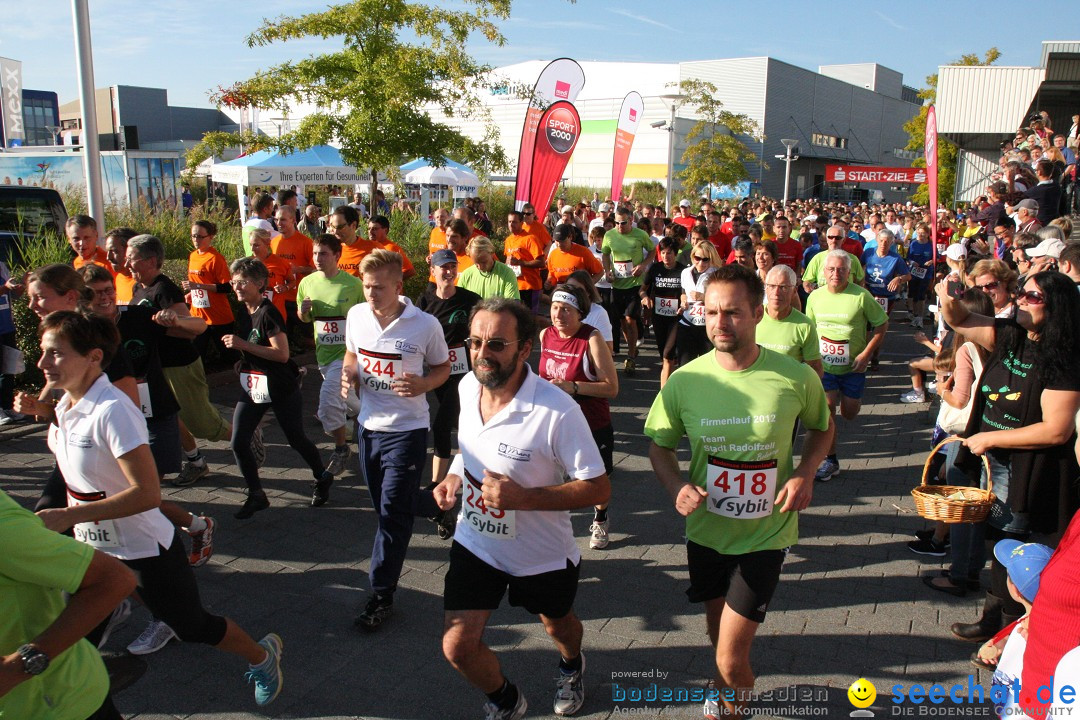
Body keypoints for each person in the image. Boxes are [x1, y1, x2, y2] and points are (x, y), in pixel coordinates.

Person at [37, 310, 284, 706]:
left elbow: (148, 495)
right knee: (69, 638)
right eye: (43, 353)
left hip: (142, 549)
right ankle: (82, 692)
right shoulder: (66, 405)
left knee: (192, 626)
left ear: (93, 357)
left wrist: (67, 517)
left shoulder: (112, 411)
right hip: (93, 550)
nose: (42, 362)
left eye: (55, 354)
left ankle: (261, 656)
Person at [645, 264, 833, 720]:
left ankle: (734, 706)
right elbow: (659, 445)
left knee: (731, 657)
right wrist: (676, 487)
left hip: (766, 532)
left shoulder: (794, 376)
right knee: (717, 628)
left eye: (731, 313)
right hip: (707, 529)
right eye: (710, 312)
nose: (719, 323)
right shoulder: (686, 380)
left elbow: (822, 428)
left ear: (755, 314)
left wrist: (805, 472)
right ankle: (723, 683)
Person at [434, 298, 609, 720]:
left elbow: (599, 487)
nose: (481, 354)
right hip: (477, 542)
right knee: (456, 645)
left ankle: (572, 665)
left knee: (559, 626)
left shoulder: (558, 411)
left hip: (540, 554)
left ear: (524, 348)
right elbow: (473, 446)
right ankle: (506, 700)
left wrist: (525, 498)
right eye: (475, 342)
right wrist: (455, 474)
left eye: (496, 344)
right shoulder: (465, 386)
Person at [935, 271, 1080, 646]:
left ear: (1055, 308)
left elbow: (1057, 430)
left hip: (1027, 468)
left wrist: (990, 437)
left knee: (1014, 544)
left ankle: (1010, 634)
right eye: (1021, 292)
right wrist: (950, 294)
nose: (1020, 300)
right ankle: (992, 618)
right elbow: (961, 319)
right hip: (993, 457)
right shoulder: (1011, 333)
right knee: (997, 539)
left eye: (1032, 296)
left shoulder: (1063, 359)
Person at [342, 249, 451, 629]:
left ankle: (381, 594)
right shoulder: (356, 316)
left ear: (399, 286)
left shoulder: (423, 325)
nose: (370, 294)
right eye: (366, 287)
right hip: (368, 427)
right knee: (388, 506)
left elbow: (443, 367)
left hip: (407, 430)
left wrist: (424, 382)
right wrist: (349, 375)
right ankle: (438, 503)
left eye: (378, 288)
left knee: (391, 514)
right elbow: (351, 355)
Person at [0, 488, 136, 720]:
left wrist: (22, 664)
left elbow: (115, 580)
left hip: (54, 705)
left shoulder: (5, 532)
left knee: (195, 626)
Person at [221, 257, 334, 519]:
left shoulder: (268, 312)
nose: (237, 287)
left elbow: (282, 354)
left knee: (296, 439)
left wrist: (243, 345)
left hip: (281, 385)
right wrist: (243, 357)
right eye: (234, 281)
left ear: (260, 283)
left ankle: (322, 475)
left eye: (243, 282)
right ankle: (256, 494)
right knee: (238, 441)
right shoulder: (243, 310)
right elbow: (249, 346)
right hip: (255, 384)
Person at [126, 235, 237, 486]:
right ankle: (196, 462)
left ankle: (245, 436)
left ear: (151, 260)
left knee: (202, 423)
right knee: (169, 418)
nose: (127, 264)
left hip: (180, 364)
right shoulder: (137, 288)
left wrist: (166, 322)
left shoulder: (164, 289)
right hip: (155, 366)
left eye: (131, 259)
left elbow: (190, 328)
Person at [539, 283, 619, 550]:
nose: (558, 314)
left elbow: (612, 387)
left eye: (566, 309)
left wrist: (571, 387)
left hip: (590, 421)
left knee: (596, 480)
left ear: (579, 312)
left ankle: (600, 518)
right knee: (550, 475)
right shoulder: (545, 335)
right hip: (553, 422)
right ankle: (551, 525)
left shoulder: (591, 338)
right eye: (554, 307)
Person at [804, 250, 889, 481]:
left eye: (841, 269)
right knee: (828, 409)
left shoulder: (861, 296)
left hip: (854, 368)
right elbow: (809, 331)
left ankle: (847, 408)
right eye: (831, 269)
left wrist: (866, 354)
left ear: (849, 272)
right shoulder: (815, 297)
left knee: (849, 413)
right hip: (825, 367)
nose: (836, 274)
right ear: (824, 272)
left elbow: (881, 325)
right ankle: (831, 460)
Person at [297, 233, 366, 503]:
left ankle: (341, 449)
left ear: (337, 256)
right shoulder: (307, 283)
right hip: (324, 356)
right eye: (315, 254)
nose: (317, 258)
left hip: (347, 355)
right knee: (351, 403)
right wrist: (303, 312)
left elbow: (366, 317)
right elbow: (304, 318)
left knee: (327, 405)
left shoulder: (353, 285)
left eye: (323, 253)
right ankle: (381, 424)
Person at [418, 249, 482, 492]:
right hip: (437, 370)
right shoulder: (424, 301)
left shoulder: (470, 299)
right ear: (433, 271)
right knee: (460, 420)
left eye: (452, 266)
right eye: (443, 267)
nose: (448, 271)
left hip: (464, 372)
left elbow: (484, 325)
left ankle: (437, 483)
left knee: (443, 424)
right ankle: (473, 467)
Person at [602, 207, 653, 374]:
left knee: (630, 318)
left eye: (623, 223)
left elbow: (652, 251)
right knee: (623, 321)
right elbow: (605, 254)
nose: (619, 226)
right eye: (616, 223)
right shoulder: (609, 235)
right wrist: (607, 271)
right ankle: (632, 347)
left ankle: (630, 355)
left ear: (631, 220)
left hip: (635, 283)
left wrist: (643, 265)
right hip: (617, 284)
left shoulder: (640, 235)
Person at [183, 220, 236, 365]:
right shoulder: (193, 256)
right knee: (196, 355)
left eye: (200, 236)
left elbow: (226, 287)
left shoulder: (215, 258)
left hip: (218, 317)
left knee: (229, 356)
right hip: (198, 316)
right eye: (193, 236)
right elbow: (197, 284)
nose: (196, 240)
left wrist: (198, 286)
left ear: (210, 237)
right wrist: (191, 294)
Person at [757, 265, 823, 376]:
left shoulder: (805, 326)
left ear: (794, 291)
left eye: (783, 287)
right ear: (765, 288)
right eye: (772, 286)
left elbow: (815, 370)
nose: (776, 293)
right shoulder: (752, 317)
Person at [640, 237, 686, 386]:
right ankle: (673, 382)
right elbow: (642, 289)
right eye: (664, 253)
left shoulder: (683, 270)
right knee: (665, 357)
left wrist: (684, 302)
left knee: (667, 355)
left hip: (676, 318)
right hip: (658, 317)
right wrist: (645, 298)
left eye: (670, 253)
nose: (666, 256)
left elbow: (685, 292)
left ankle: (664, 393)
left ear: (676, 253)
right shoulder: (655, 269)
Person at [675, 240, 721, 368]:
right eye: (697, 258)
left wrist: (703, 297)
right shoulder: (685, 272)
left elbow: (721, 300)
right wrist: (683, 301)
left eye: (705, 260)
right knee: (685, 366)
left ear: (711, 259)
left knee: (709, 367)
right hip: (687, 324)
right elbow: (683, 292)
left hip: (707, 327)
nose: (701, 263)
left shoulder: (716, 274)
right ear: (692, 256)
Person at [503, 210, 546, 314]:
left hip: (529, 286)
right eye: (509, 222)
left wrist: (520, 263)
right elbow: (508, 260)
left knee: (530, 318)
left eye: (514, 222)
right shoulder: (508, 240)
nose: (511, 224)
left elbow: (541, 263)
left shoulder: (530, 239)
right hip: (513, 285)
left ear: (522, 223)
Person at [546, 223, 603, 290]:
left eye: (562, 241)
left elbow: (600, 272)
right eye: (557, 241)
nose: (559, 244)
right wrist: (549, 283)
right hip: (561, 293)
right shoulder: (553, 254)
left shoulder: (583, 252)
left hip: (579, 295)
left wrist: (587, 287)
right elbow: (552, 275)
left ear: (570, 237)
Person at [103, 227, 138, 305]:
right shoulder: (117, 278)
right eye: (108, 251)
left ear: (130, 251)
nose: (108, 257)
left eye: (114, 251)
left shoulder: (145, 282)